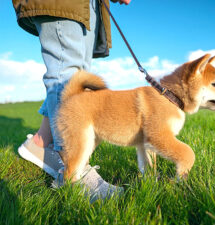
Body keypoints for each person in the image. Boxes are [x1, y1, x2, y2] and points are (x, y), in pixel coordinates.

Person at [12, 0, 131, 202]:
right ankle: (72, 171)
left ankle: (41, 142)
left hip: (87, 5)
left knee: (78, 79)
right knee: (67, 75)